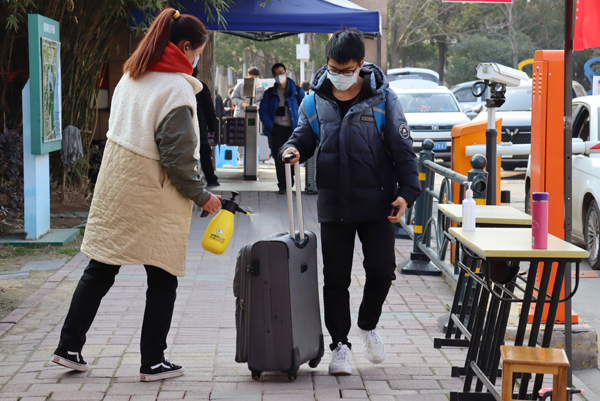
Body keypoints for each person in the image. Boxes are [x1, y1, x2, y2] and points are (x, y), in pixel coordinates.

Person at [50, 8, 222, 382]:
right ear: (185, 46)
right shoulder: (175, 88)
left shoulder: (132, 74)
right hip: (152, 190)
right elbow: (177, 157)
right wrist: (202, 196)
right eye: (198, 52)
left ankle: (68, 347)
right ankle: (153, 361)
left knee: (100, 267)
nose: (197, 60)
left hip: (116, 182)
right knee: (163, 276)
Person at [280, 28, 421, 376]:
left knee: (381, 271)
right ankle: (339, 345)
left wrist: (407, 192)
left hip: (377, 203)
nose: (339, 76)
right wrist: (292, 149)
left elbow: (403, 150)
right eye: (333, 68)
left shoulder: (384, 100)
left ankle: (367, 324)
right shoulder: (314, 101)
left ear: (360, 64)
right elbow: (303, 137)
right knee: (336, 278)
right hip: (334, 205)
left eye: (346, 70)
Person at [259, 63, 305, 194]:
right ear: (273, 76)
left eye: (281, 72)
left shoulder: (296, 91)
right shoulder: (270, 93)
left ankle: (290, 181)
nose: (279, 76)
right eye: (276, 74)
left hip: (293, 130)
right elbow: (263, 111)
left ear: (286, 73)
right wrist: (271, 125)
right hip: (277, 130)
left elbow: (305, 109)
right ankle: (283, 186)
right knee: (279, 158)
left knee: (293, 157)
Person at [232, 67, 264, 163]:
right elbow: (234, 97)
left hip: (254, 114)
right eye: (252, 76)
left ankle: (252, 156)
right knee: (240, 135)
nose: (253, 79)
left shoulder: (260, 87)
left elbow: (262, 100)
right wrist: (242, 103)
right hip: (241, 114)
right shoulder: (240, 85)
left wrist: (256, 105)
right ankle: (241, 156)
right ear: (247, 75)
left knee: (253, 135)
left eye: (255, 77)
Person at [195, 76, 219, 186]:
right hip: (199, 125)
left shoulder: (176, 83)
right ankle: (211, 178)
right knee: (204, 151)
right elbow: (209, 108)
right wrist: (212, 126)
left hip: (182, 126)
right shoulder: (200, 86)